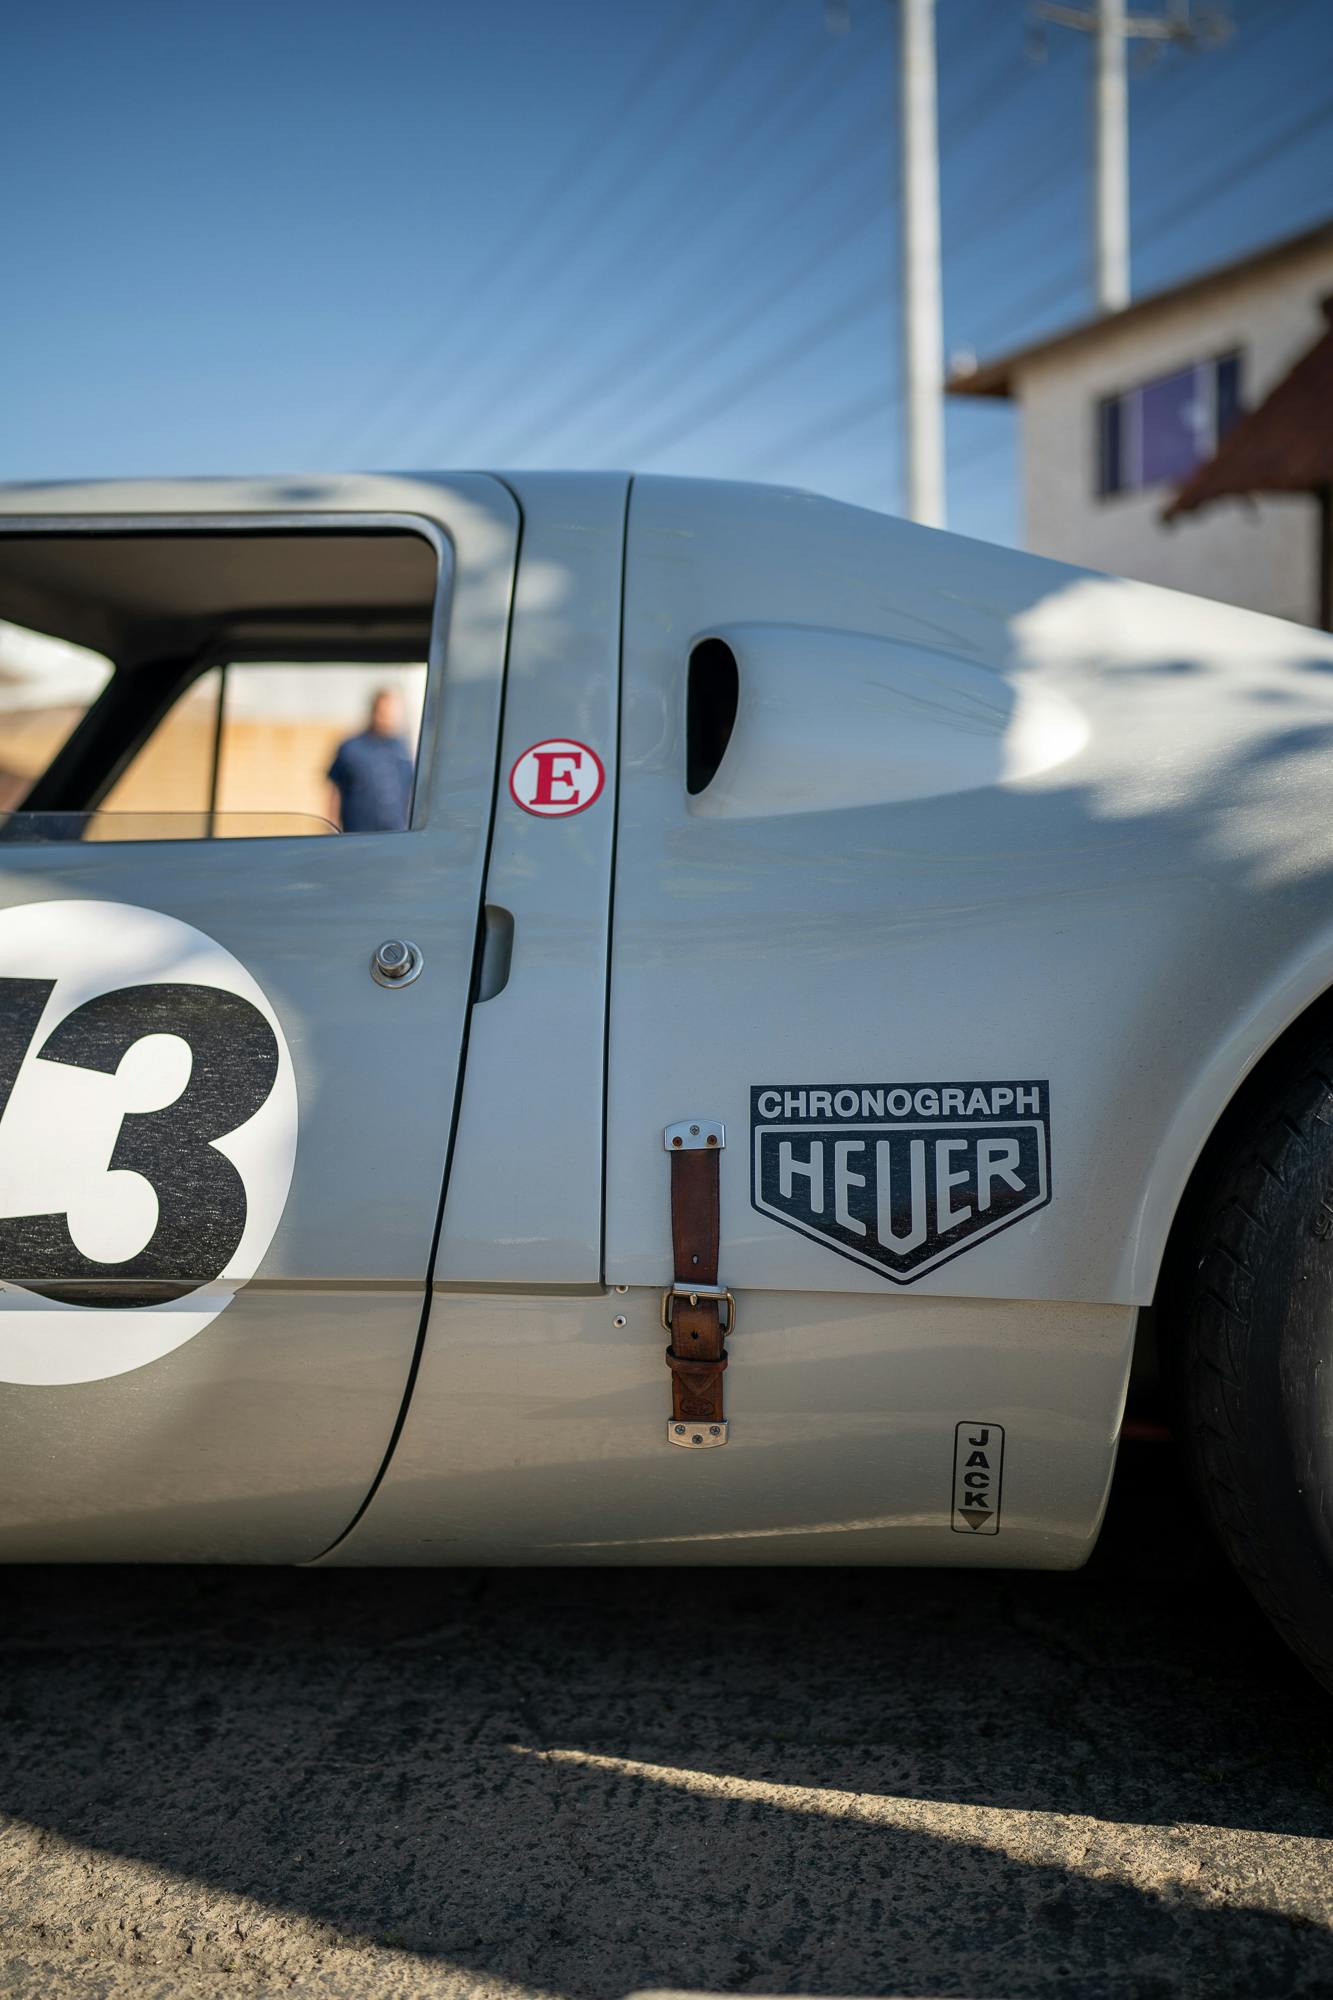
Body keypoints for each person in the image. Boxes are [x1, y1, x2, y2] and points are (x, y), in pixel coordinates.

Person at [326, 687, 414, 832]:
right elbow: (335, 793)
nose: (389, 716)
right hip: (359, 835)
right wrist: (332, 832)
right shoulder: (351, 748)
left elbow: (411, 793)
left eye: (393, 712)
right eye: (384, 711)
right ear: (374, 711)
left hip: (396, 835)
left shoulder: (404, 749)